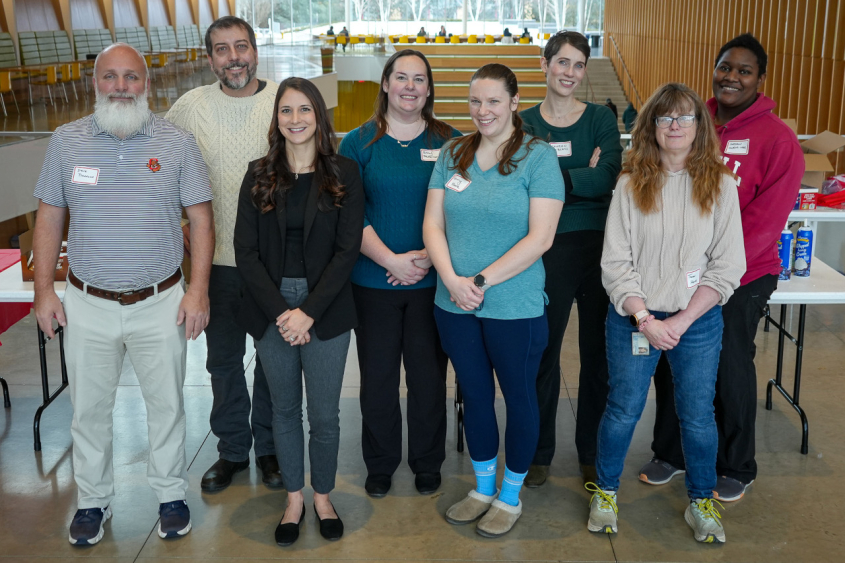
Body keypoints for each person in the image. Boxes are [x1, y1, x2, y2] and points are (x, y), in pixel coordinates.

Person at [32, 43, 214, 545]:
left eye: (131, 77)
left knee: (167, 406)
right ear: (95, 83)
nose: (120, 86)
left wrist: (198, 290)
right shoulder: (66, 142)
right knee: (89, 410)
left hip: (160, 302)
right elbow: (49, 216)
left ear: (147, 85)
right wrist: (44, 291)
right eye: (110, 76)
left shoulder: (177, 144)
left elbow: (201, 219)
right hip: (86, 303)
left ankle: (171, 496)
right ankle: (92, 500)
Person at [639, 34, 805, 502]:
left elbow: (765, 222)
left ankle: (736, 464)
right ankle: (670, 452)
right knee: (672, 356)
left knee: (728, 364)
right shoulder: (693, 120)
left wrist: (715, 272)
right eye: (725, 67)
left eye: (744, 70)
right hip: (679, 270)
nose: (732, 77)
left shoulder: (778, 140)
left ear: (760, 79)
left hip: (742, 274)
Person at [588, 83, 746, 544]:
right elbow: (616, 263)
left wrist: (679, 321)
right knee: (623, 409)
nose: (675, 125)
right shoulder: (629, 184)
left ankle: (701, 500)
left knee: (697, 414)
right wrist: (645, 320)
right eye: (665, 117)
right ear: (651, 127)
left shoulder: (721, 185)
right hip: (634, 319)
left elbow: (728, 266)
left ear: (700, 126)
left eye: (684, 117)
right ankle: (606, 493)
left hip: (695, 321)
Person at [423, 63, 564, 537]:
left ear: (514, 102)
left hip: (514, 307)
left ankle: (510, 495)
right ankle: (483, 488)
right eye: (475, 101)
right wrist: (451, 279)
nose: (482, 111)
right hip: (453, 304)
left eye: (493, 101)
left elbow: (541, 238)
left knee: (520, 399)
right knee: (476, 397)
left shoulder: (538, 157)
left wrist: (479, 281)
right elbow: (433, 224)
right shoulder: (453, 152)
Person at [234, 77, 364, 546]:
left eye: (304, 109)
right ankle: (294, 499)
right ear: (277, 119)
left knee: (324, 415)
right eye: (286, 110)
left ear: (319, 115)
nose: (295, 119)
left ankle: (323, 496)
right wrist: (282, 313)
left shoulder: (344, 172)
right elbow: (245, 251)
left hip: (325, 304)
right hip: (271, 305)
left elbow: (347, 250)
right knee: (285, 410)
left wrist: (307, 311)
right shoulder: (259, 174)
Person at [165, 16, 283, 494]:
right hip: (215, 264)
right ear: (209, 57)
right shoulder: (189, 108)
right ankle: (232, 450)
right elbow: (160, 173)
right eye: (222, 49)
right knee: (224, 362)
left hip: (274, 264)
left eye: (241, 47)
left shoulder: (283, 102)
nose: (234, 58)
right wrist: (176, 223)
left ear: (255, 50)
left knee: (274, 363)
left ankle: (271, 448)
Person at [339, 49, 462, 498]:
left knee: (428, 378)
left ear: (429, 89)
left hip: (433, 283)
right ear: (386, 84)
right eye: (401, 77)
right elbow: (348, 213)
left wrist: (429, 256)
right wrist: (390, 260)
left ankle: (427, 461)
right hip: (373, 282)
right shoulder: (357, 142)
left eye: (419, 79)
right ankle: (380, 462)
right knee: (378, 379)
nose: (410, 87)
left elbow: (463, 206)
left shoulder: (452, 142)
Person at [519, 30, 622, 488]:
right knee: (542, 352)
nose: (570, 73)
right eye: (562, 62)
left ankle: (591, 452)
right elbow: (517, 181)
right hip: (546, 248)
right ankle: (538, 451)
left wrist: (550, 178)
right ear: (545, 65)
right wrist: (580, 175)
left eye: (579, 65)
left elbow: (608, 176)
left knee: (598, 357)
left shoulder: (600, 119)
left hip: (600, 248)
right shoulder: (523, 122)